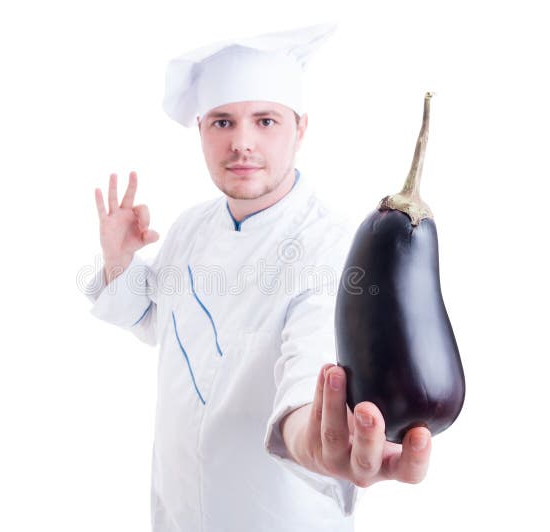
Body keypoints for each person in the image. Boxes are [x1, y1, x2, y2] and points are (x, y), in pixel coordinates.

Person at [84, 23, 432, 532]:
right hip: (178, 510)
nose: (241, 143)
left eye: (265, 120)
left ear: (301, 128)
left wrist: (313, 441)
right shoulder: (189, 228)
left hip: (279, 514)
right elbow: (156, 321)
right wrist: (118, 261)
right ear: (201, 129)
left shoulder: (334, 246)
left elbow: (307, 376)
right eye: (223, 122)